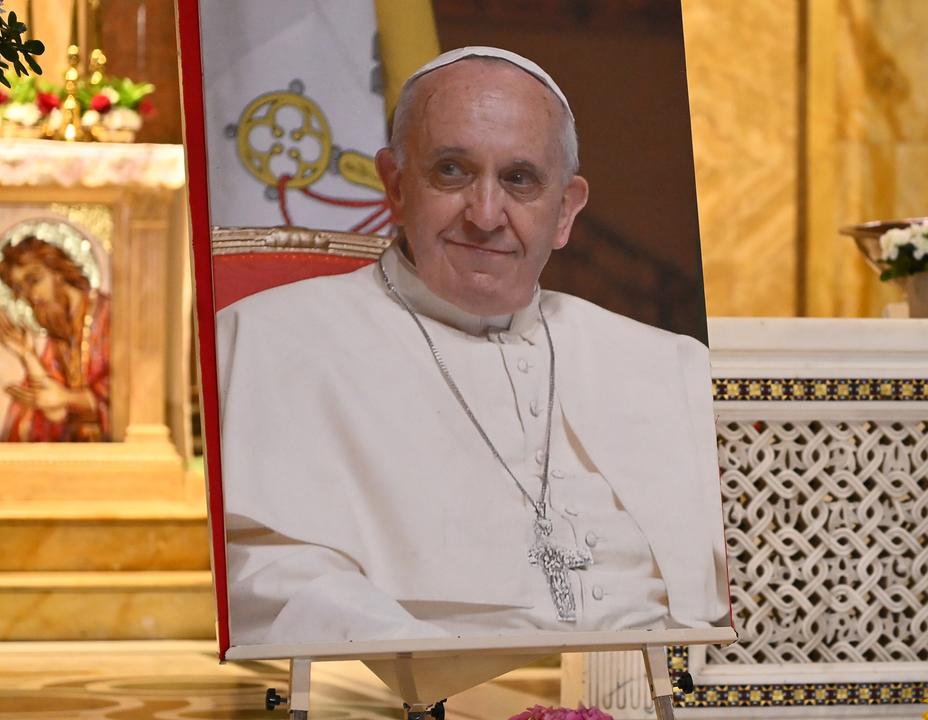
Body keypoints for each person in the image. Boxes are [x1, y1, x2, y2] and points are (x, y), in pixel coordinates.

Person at [216, 46, 730, 646]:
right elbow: (267, 580)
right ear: (396, 186)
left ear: (565, 211)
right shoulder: (270, 341)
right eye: (452, 171)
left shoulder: (671, 366)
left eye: (519, 180)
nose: (486, 215)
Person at [0, 235, 110, 442]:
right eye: (20, 289)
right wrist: (27, 354)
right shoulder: (60, 330)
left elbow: (123, 396)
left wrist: (68, 398)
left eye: (34, 279)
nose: (31, 295)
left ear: (59, 270)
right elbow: (54, 410)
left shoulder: (109, 315)